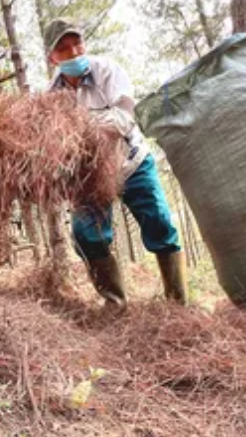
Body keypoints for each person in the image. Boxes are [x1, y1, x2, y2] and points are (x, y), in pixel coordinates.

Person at [44, 17, 188, 306]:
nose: (74, 52)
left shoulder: (107, 70)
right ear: (52, 58)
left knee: (159, 223)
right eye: (64, 49)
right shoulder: (51, 96)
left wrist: (80, 128)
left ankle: (177, 302)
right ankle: (115, 304)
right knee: (86, 235)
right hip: (89, 175)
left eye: (77, 44)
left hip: (131, 163)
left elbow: (124, 117)